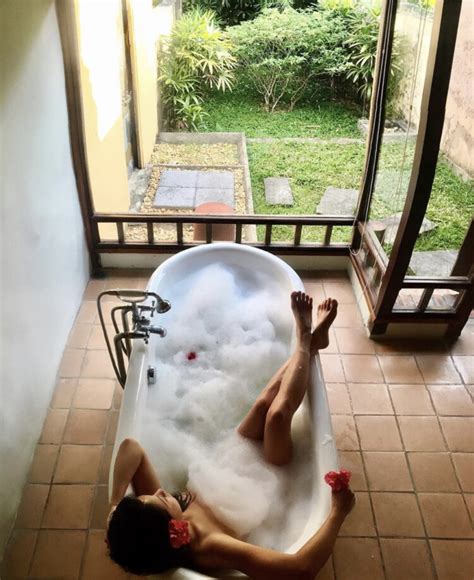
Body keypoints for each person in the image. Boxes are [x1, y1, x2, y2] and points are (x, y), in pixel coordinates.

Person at [106, 292, 355, 578]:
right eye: (160, 499)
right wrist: (338, 512)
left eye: (147, 497)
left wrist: (115, 503)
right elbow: (301, 569)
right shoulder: (210, 546)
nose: (158, 492)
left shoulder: (157, 519)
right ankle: (305, 339)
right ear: (170, 529)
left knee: (263, 404)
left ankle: (309, 344)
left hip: (233, 458)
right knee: (276, 416)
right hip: (268, 475)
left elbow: (131, 448)